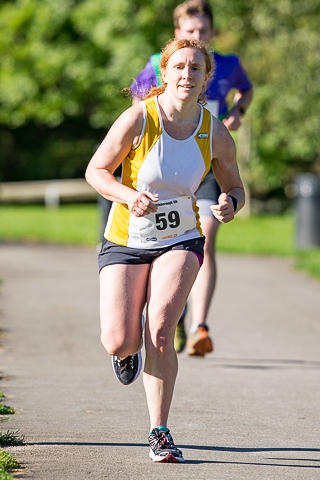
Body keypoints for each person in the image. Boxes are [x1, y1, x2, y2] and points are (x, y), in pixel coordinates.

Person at [85, 37, 245, 463]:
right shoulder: (139, 118)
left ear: (206, 77)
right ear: (165, 73)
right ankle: (127, 350)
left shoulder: (215, 132)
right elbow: (96, 171)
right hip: (126, 239)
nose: (186, 75)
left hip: (182, 239)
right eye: (179, 67)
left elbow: (234, 186)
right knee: (119, 339)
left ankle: (159, 431)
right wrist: (126, 194)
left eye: (196, 69)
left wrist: (231, 203)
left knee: (160, 327)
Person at [130, 0, 253, 356]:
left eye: (203, 31)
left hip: (209, 163)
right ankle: (169, 315)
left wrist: (237, 113)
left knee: (206, 237)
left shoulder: (227, 65)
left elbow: (246, 89)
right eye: (190, 31)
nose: (197, 36)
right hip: (167, 167)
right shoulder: (158, 64)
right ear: (177, 34)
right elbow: (136, 106)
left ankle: (200, 326)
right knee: (164, 241)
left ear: (213, 33)